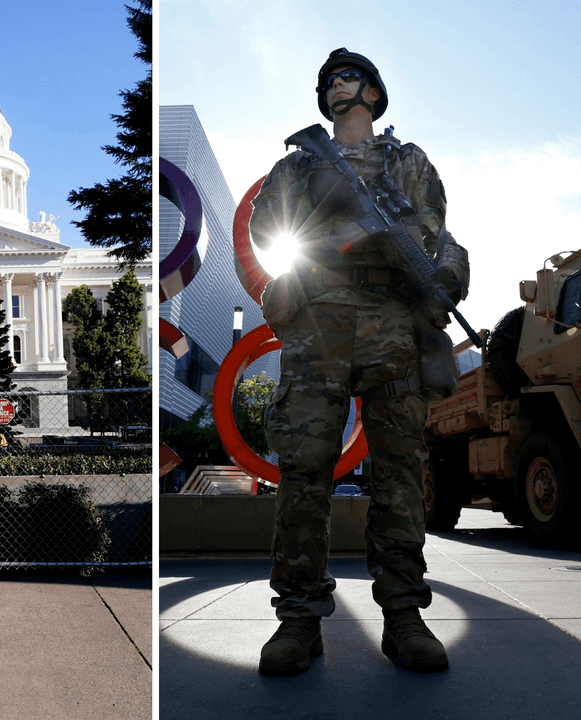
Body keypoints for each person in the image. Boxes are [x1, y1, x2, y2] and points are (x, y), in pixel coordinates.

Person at [249, 48, 470, 675]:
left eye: (350, 77)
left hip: (393, 323)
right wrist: (339, 230)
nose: (338, 86)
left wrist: (451, 272)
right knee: (304, 471)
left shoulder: (411, 164)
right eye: (329, 82)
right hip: (319, 322)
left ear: (373, 92)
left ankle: (404, 615)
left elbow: (435, 233)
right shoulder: (298, 165)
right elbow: (271, 233)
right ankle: (298, 620)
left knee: (400, 473)